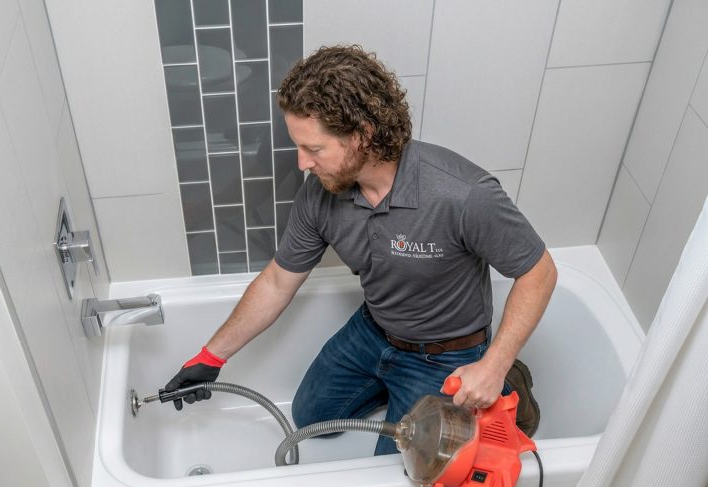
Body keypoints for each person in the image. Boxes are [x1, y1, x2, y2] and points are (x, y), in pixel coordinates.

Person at [164, 45, 558, 455]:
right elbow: (279, 280)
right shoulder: (320, 197)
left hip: (445, 354)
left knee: (399, 472)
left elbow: (540, 271)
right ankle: (395, 388)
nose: (301, 164)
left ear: (362, 136)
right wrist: (211, 357)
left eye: (314, 150)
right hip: (374, 332)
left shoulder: (462, 194)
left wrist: (492, 367)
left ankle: (511, 382)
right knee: (311, 418)